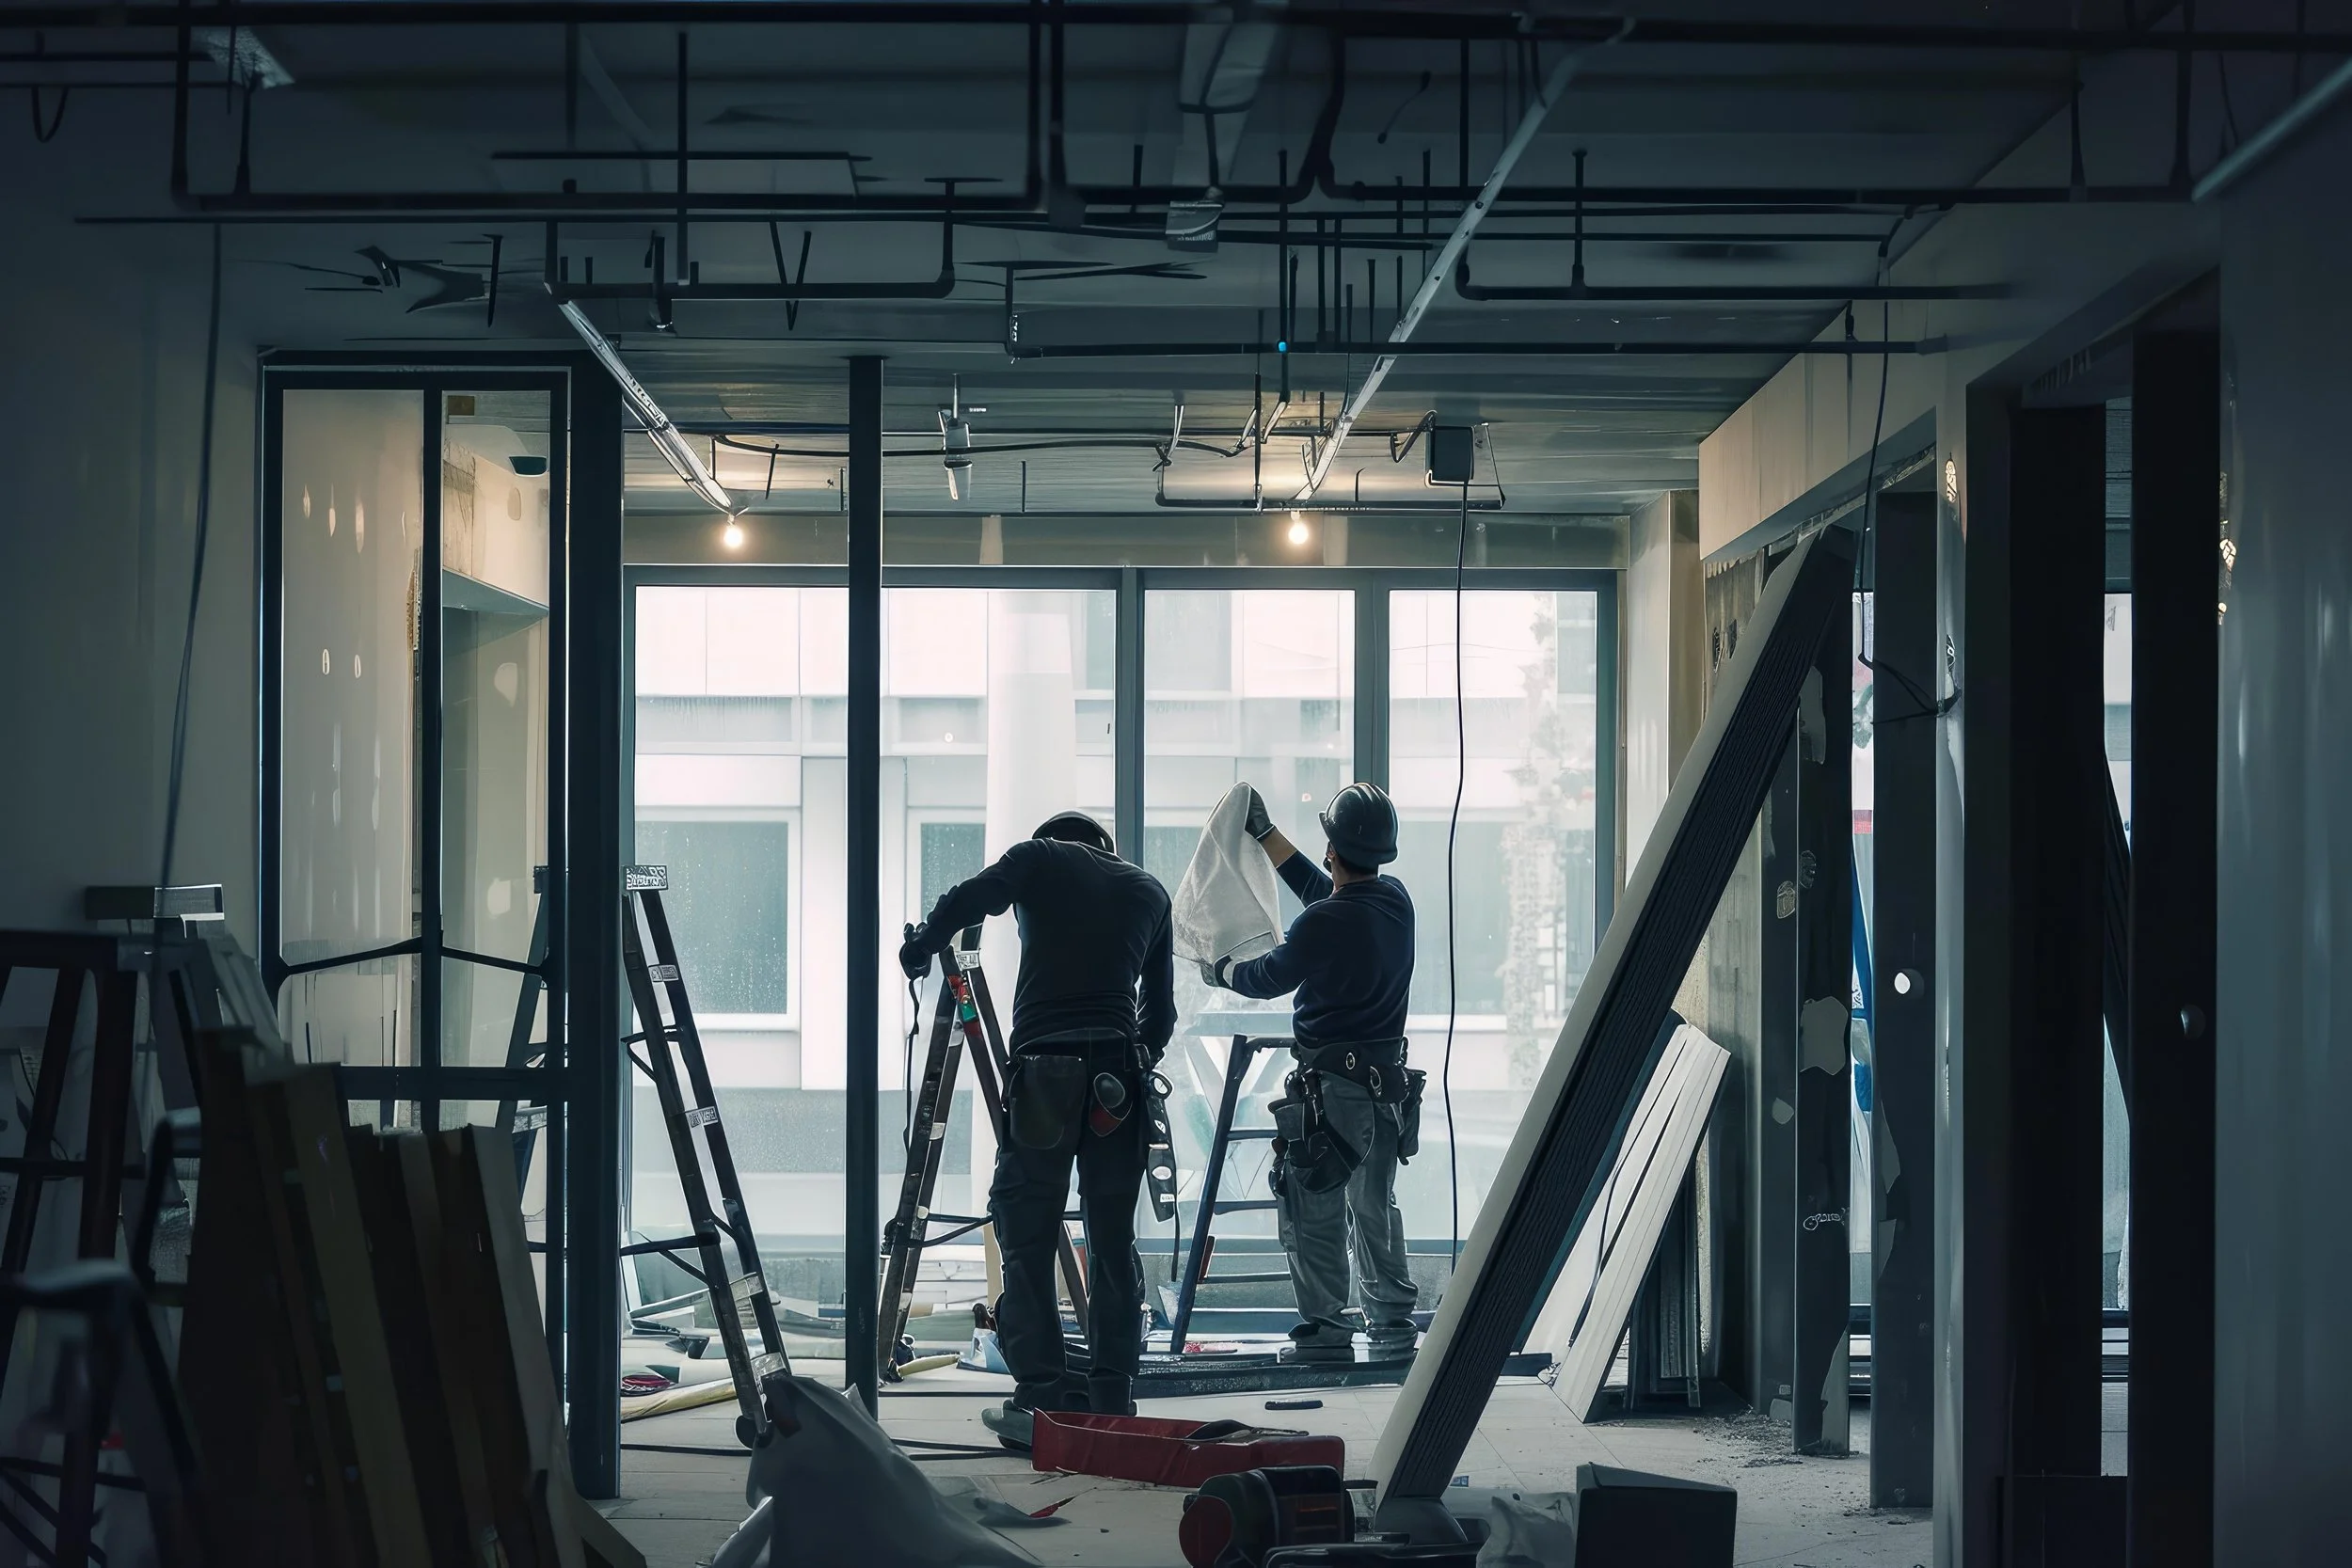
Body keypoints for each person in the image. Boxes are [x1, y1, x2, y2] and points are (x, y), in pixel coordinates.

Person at [898, 809, 1175, 1447]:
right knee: (1111, 1242)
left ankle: (1043, 1394)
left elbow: (969, 899)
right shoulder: (1149, 890)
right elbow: (1160, 1016)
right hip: (1118, 1078)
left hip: (1046, 1072)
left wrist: (920, 947)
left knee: (1026, 1237)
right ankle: (1113, 1393)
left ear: (1059, 842)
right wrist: (1132, 1065)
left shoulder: (1039, 858)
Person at [1200, 782, 1422, 1364]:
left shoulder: (1324, 924)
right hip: (1385, 1088)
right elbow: (1324, 898)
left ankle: (1327, 1329)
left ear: (1332, 849)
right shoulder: (1395, 903)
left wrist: (1222, 971)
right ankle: (1393, 1325)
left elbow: (1269, 975)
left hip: (1333, 1095)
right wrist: (1268, 837)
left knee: (1315, 1203)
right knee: (1374, 1205)